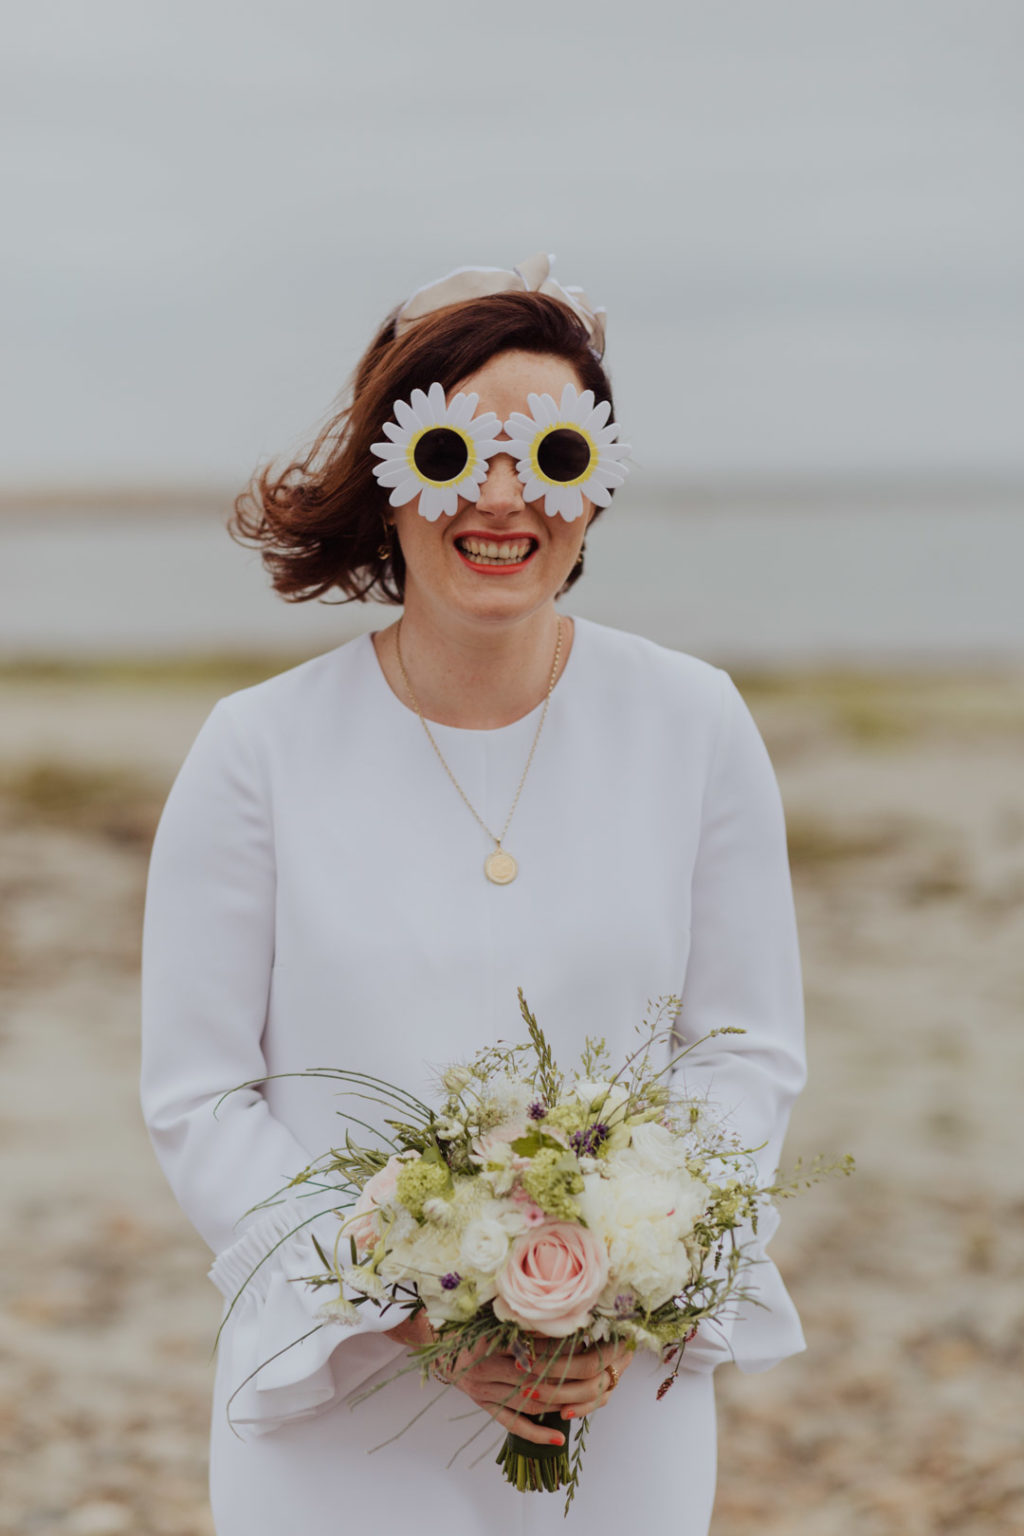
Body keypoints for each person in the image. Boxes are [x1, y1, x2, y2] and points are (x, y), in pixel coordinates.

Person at [140, 254, 807, 1535]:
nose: (503, 497)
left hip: (609, 1398)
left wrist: (622, 1279)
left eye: (549, 455)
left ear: (594, 486)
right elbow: (200, 1091)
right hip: (334, 1390)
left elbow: (746, 1050)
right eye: (456, 450)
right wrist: (405, 1296)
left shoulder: (694, 722)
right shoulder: (255, 750)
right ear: (393, 479)